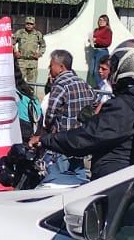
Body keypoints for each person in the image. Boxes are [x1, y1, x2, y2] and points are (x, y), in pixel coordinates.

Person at [32, 39, 134, 180]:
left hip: (113, 185)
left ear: (127, 66)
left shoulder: (124, 105)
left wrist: (45, 139)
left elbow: (85, 139)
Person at [40, 49, 96, 186]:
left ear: (61, 67)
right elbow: (94, 106)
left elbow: (51, 113)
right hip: (81, 143)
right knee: (80, 183)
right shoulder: (84, 84)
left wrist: (47, 128)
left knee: (59, 184)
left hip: (62, 144)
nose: (49, 68)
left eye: (51, 65)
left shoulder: (60, 85)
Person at [13, 16, 46, 85]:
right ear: (25, 24)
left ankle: (31, 96)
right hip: (21, 61)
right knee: (19, 83)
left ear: (34, 25)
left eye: (31, 24)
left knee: (32, 84)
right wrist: (15, 52)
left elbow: (43, 45)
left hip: (33, 62)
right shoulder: (20, 33)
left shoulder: (38, 34)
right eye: (27, 23)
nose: (29, 25)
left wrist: (39, 54)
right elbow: (11, 43)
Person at [88, 15, 113, 87]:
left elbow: (107, 42)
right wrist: (91, 40)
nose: (101, 22)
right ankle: (99, 86)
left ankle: (102, 87)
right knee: (92, 71)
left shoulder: (108, 30)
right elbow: (95, 39)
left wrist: (97, 40)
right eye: (100, 20)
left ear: (106, 22)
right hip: (95, 51)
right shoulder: (96, 30)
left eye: (103, 20)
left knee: (98, 71)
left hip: (102, 51)